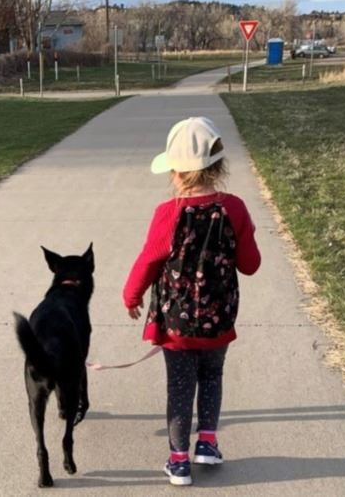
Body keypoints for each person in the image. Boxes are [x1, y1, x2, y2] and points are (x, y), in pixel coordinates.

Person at [123, 117, 262, 486]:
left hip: (177, 325)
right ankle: (208, 443)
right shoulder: (234, 209)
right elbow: (251, 265)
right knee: (212, 377)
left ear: (177, 173)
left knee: (180, 388)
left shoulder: (167, 214)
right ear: (217, 167)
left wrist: (131, 295)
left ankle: (179, 460)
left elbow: (149, 261)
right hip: (218, 321)